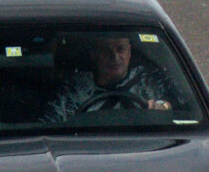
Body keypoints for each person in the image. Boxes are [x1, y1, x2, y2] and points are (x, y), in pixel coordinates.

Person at [44, 32, 181, 119]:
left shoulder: (151, 79)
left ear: (129, 52)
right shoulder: (73, 90)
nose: (115, 57)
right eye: (106, 51)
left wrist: (164, 107)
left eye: (120, 49)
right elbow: (49, 125)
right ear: (94, 55)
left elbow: (186, 108)